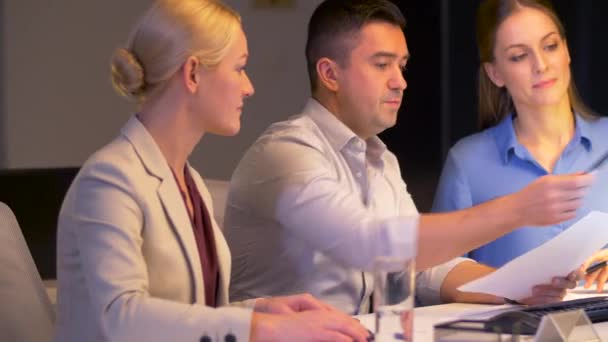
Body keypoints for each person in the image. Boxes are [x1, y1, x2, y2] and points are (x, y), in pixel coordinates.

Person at [224, 0, 586, 316]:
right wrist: (517, 210)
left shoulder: (380, 159)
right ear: (330, 74)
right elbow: (368, 244)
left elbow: (421, 267)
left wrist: (517, 287)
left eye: (402, 66)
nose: (401, 82)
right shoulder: (286, 152)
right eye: (383, 65)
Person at [54, 1, 370, 341]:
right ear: (192, 74)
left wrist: (261, 310)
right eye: (239, 68)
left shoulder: (191, 183)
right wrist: (262, 329)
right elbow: (122, 317)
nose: (249, 87)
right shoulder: (109, 179)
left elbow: (192, 313)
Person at [432, 0, 608, 293]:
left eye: (550, 46)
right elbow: (433, 276)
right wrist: (516, 288)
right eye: (518, 56)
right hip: (511, 335)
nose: (540, 65)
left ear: (566, 52)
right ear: (495, 73)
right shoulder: (467, 162)